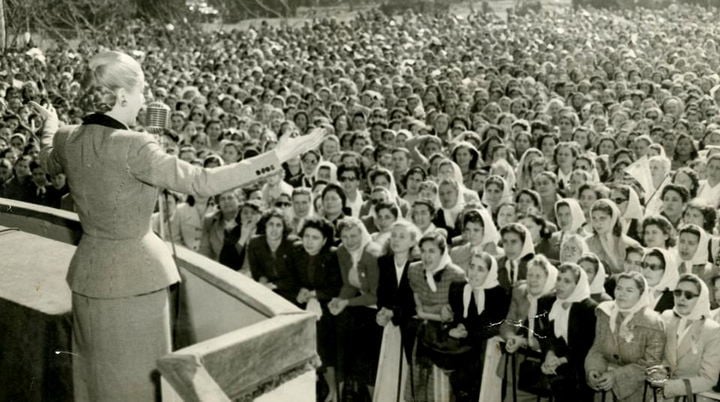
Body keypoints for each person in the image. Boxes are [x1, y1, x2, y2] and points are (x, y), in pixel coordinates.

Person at [35, 50, 326, 401]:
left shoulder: (69, 137)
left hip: (87, 275)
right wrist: (276, 156)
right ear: (123, 95)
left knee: (93, 381)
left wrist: (50, 121)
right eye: (141, 90)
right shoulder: (136, 146)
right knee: (137, 384)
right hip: (136, 282)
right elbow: (202, 181)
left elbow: (46, 157)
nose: (145, 98)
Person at [585, 272, 666, 402]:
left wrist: (616, 376)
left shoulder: (653, 323)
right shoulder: (605, 313)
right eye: (619, 288)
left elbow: (651, 364)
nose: (622, 294)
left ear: (641, 294)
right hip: (605, 386)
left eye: (629, 290)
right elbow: (597, 348)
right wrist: (593, 370)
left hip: (639, 390)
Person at [406, 229, 466, 401]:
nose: (426, 256)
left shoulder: (456, 275)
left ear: (443, 251)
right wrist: (434, 311)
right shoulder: (414, 270)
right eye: (423, 251)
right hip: (423, 334)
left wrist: (426, 312)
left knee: (439, 385)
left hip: (444, 337)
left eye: (432, 251)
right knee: (418, 380)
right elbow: (417, 305)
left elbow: (451, 315)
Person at [291, 217, 343, 402]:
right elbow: (292, 279)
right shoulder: (297, 252)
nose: (309, 241)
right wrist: (301, 292)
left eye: (315, 237)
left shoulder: (333, 255)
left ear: (324, 240)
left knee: (325, 349)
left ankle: (333, 391)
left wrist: (315, 294)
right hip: (304, 307)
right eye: (306, 236)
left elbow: (337, 286)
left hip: (329, 310)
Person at [447, 250, 509, 402]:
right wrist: (457, 326)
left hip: (485, 350)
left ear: (490, 273)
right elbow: (456, 318)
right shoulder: (458, 288)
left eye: (480, 269)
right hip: (464, 348)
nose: (474, 273)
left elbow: (494, 326)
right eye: (472, 266)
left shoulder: (499, 294)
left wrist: (468, 333)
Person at [331, 217, 383, 399]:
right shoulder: (342, 251)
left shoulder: (372, 254)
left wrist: (347, 303)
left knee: (368, 356)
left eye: (354, 236)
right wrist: (339, 299)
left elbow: (376, 295)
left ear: (362, 234)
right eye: (344, 236)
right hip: (361, 305)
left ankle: (374, 394)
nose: (349, 241)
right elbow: (349, 284)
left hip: (379, 308)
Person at [374, 221, 421, 402]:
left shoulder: (417, 264)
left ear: (412, 241)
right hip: (390, 321)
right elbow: (382, 293)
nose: (396, 240)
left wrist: (394, 312)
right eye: (393, 235)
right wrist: (382, 311)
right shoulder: (384, 262)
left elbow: (414, 299)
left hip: (408, 320)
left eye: (402, 236)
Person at [655, 273, 720, 401]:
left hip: (694, 396)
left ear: (701, 298)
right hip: (660, 394)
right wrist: (659, 372)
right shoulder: (667, 317)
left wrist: (671, 387)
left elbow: (708, 378)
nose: (682, 299)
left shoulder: (712, 330)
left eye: (688, 295)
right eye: (678, 293)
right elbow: (659, 357)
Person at [538, 263, 597, 402]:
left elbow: (586, 346)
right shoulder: (548, 302)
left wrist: (561, 360)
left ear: (578, 285)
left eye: (567, 281)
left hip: (579, 370)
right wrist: (549, 354)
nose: (560, 284)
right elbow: (545, 334)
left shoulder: (589, 309)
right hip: (555, 367)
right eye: (558, 279)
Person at [246, 208, 299, 302]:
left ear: (284, 228)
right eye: (271, 224)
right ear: (265, 225)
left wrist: (272, 285)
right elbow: (256, 271)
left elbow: (296, 278)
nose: (274, 229)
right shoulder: (255, 243)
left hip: (291, 294)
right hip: (266, 292)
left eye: (278, 225)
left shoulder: (293, 244)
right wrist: (262, 281)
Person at [585, 199, 642, 274]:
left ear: (613, 218)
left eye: (602, 218)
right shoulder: (586, 243)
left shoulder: (630, 244)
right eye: (594, 218)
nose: (597, 223)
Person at [497, 223, 536, 291]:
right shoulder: (497, 264)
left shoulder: (536, 266)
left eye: (513, 242)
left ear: (524, 243)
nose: (509, 247)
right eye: (505, 241)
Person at [642, 247, 678, 313]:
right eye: (644, 265)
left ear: (667, 271)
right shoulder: (637, 292)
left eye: (654, 267)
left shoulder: (677, 299)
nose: (647, 271)